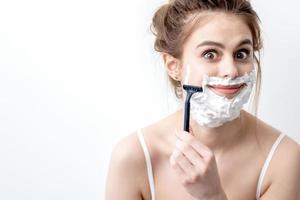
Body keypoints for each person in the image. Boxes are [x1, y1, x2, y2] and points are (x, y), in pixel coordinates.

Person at [105, 0, 300, 199]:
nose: (231, 71)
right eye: (210, 54)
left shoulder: (284, 158)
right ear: (173, 66)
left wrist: (212, 195)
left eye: (241, 53)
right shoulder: (133, 157)